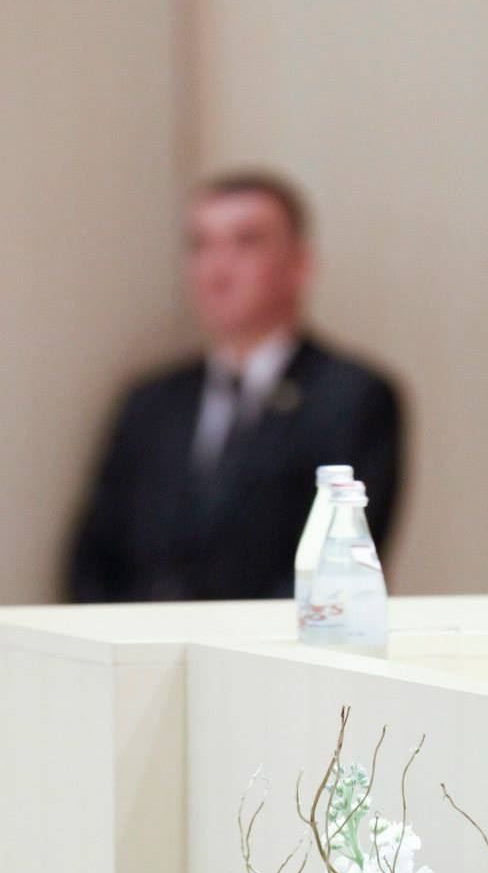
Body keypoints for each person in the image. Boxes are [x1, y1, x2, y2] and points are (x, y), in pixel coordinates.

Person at [66, 170, 404, 602]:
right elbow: (94, 559)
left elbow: (339, 564)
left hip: (277, 640)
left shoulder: (351, 396)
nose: (218, 269)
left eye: (246, 242)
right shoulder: (151, 402)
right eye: (201, 245)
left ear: (298, 265)